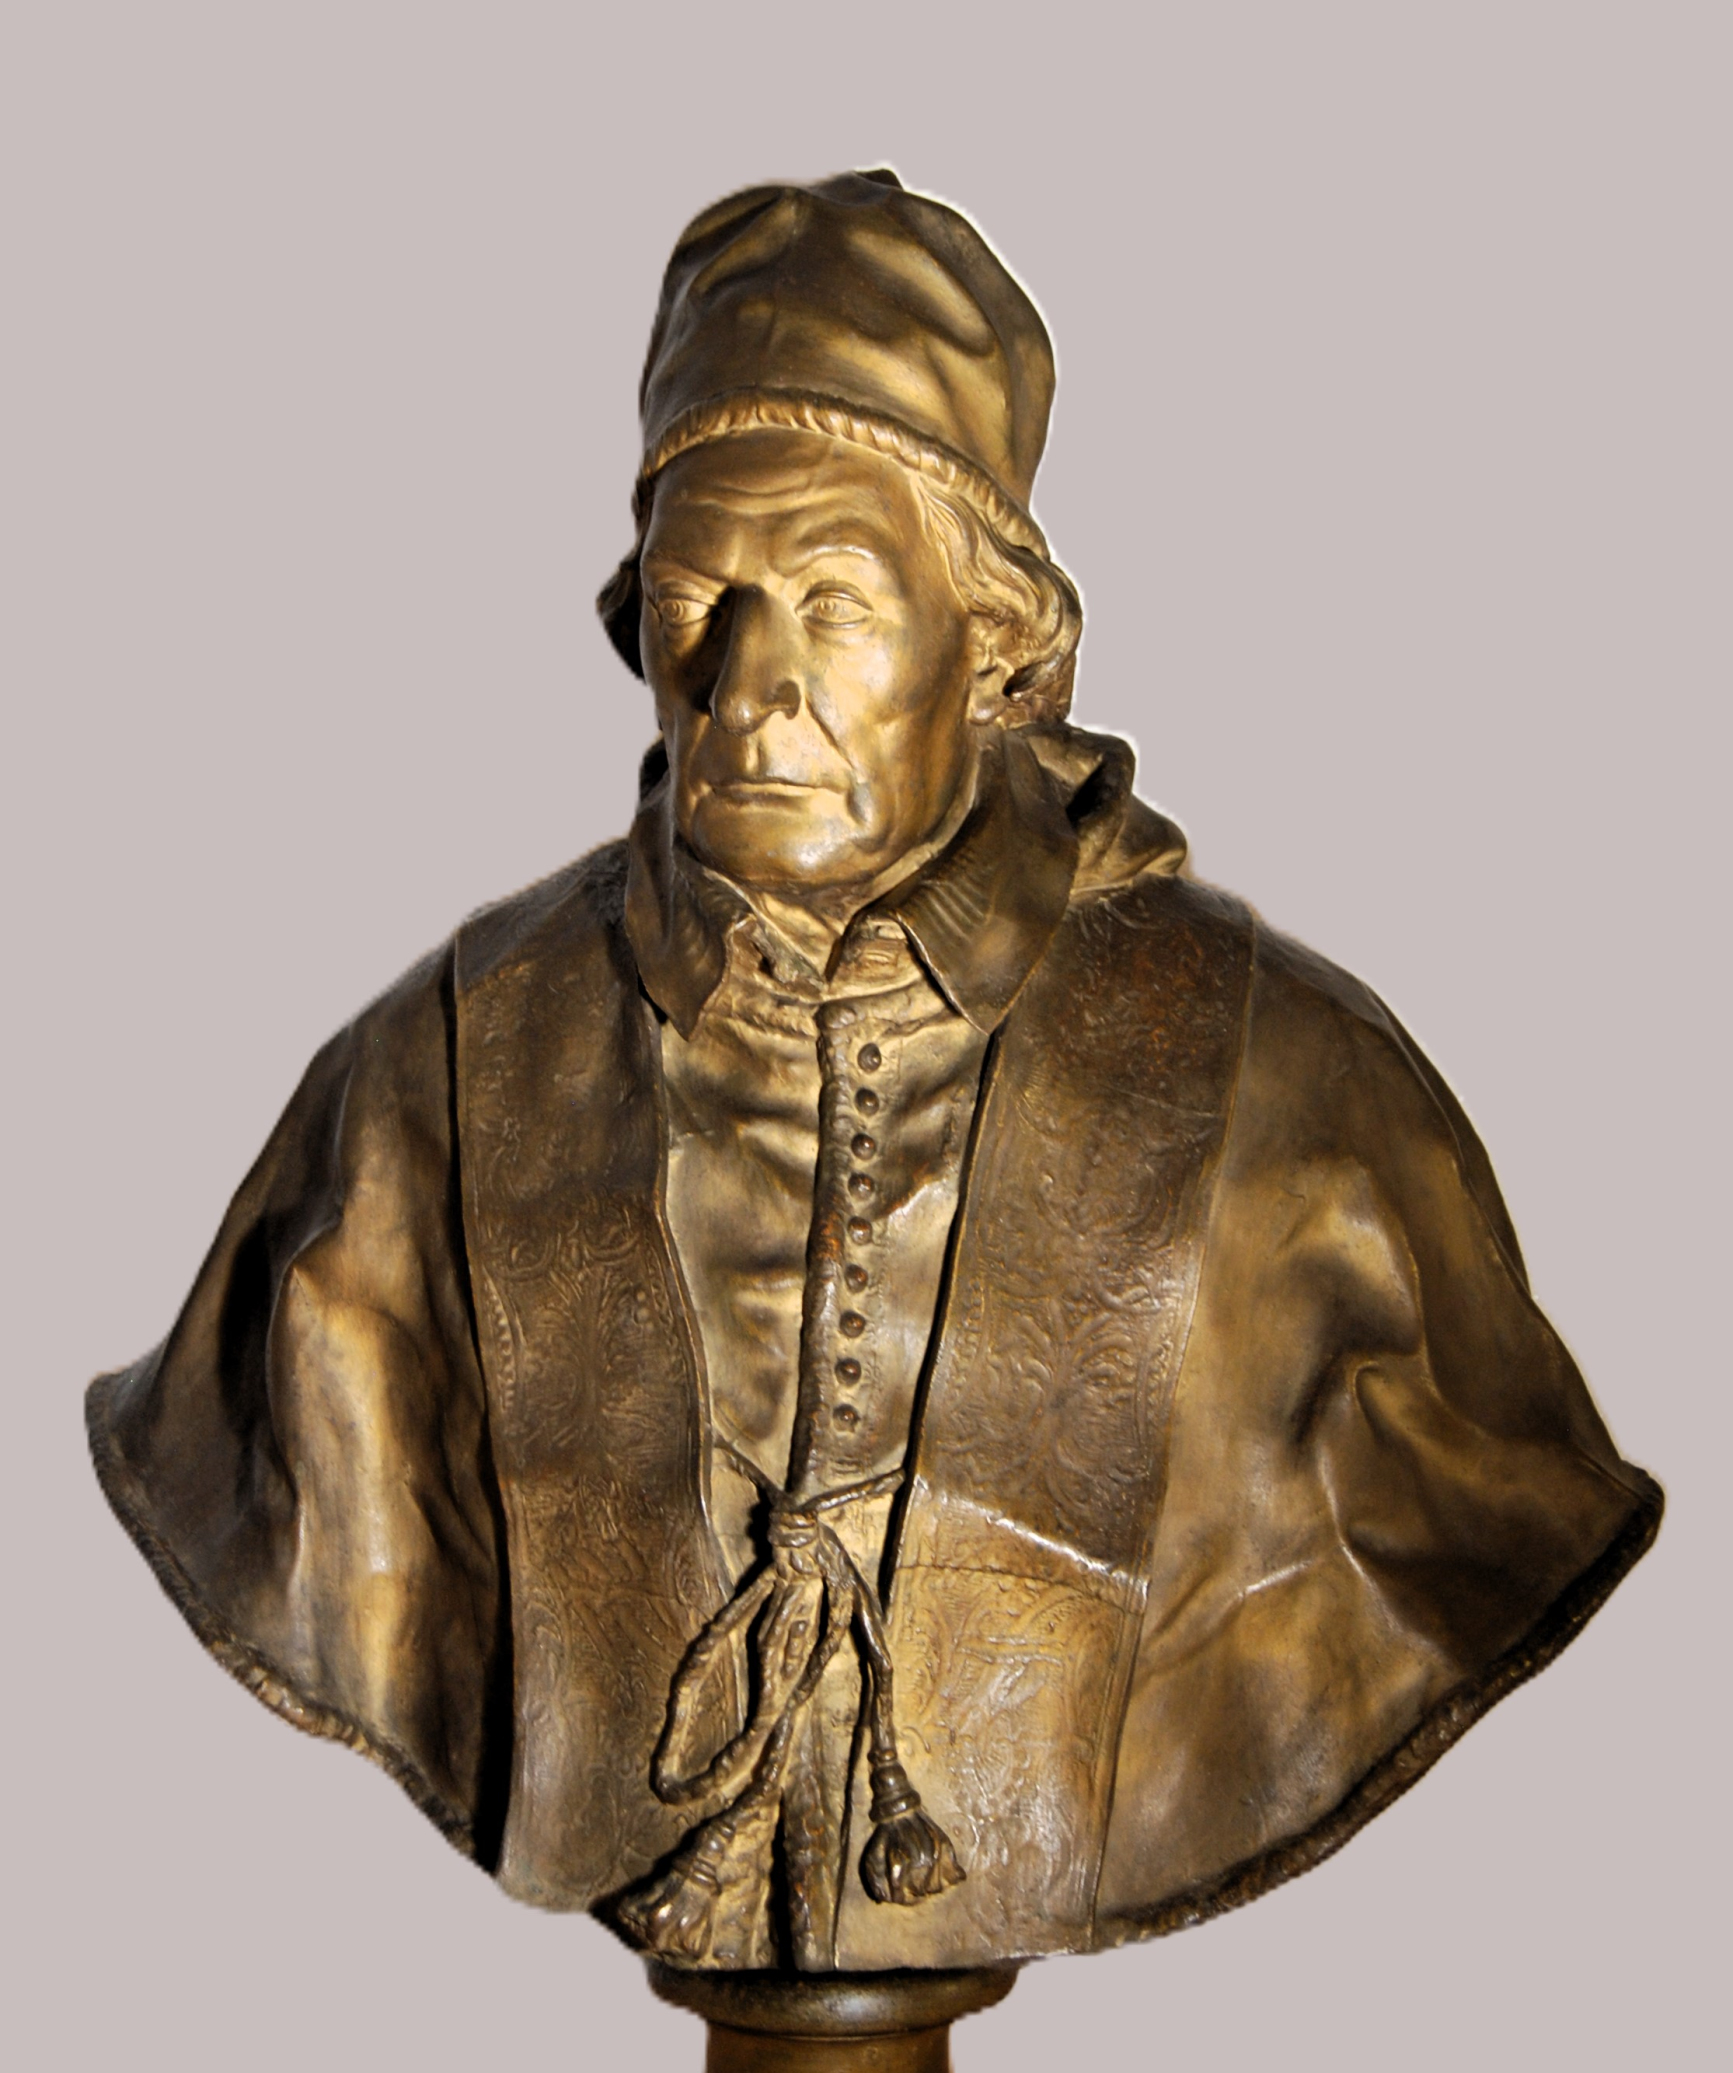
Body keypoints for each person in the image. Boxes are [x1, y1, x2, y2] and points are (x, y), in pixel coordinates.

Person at [88, 171, 1659, 1973]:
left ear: (996, 644)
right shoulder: (420, 1093)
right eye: (698, 597)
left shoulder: (1299, 1104)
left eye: (833, 600)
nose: (745, 683)